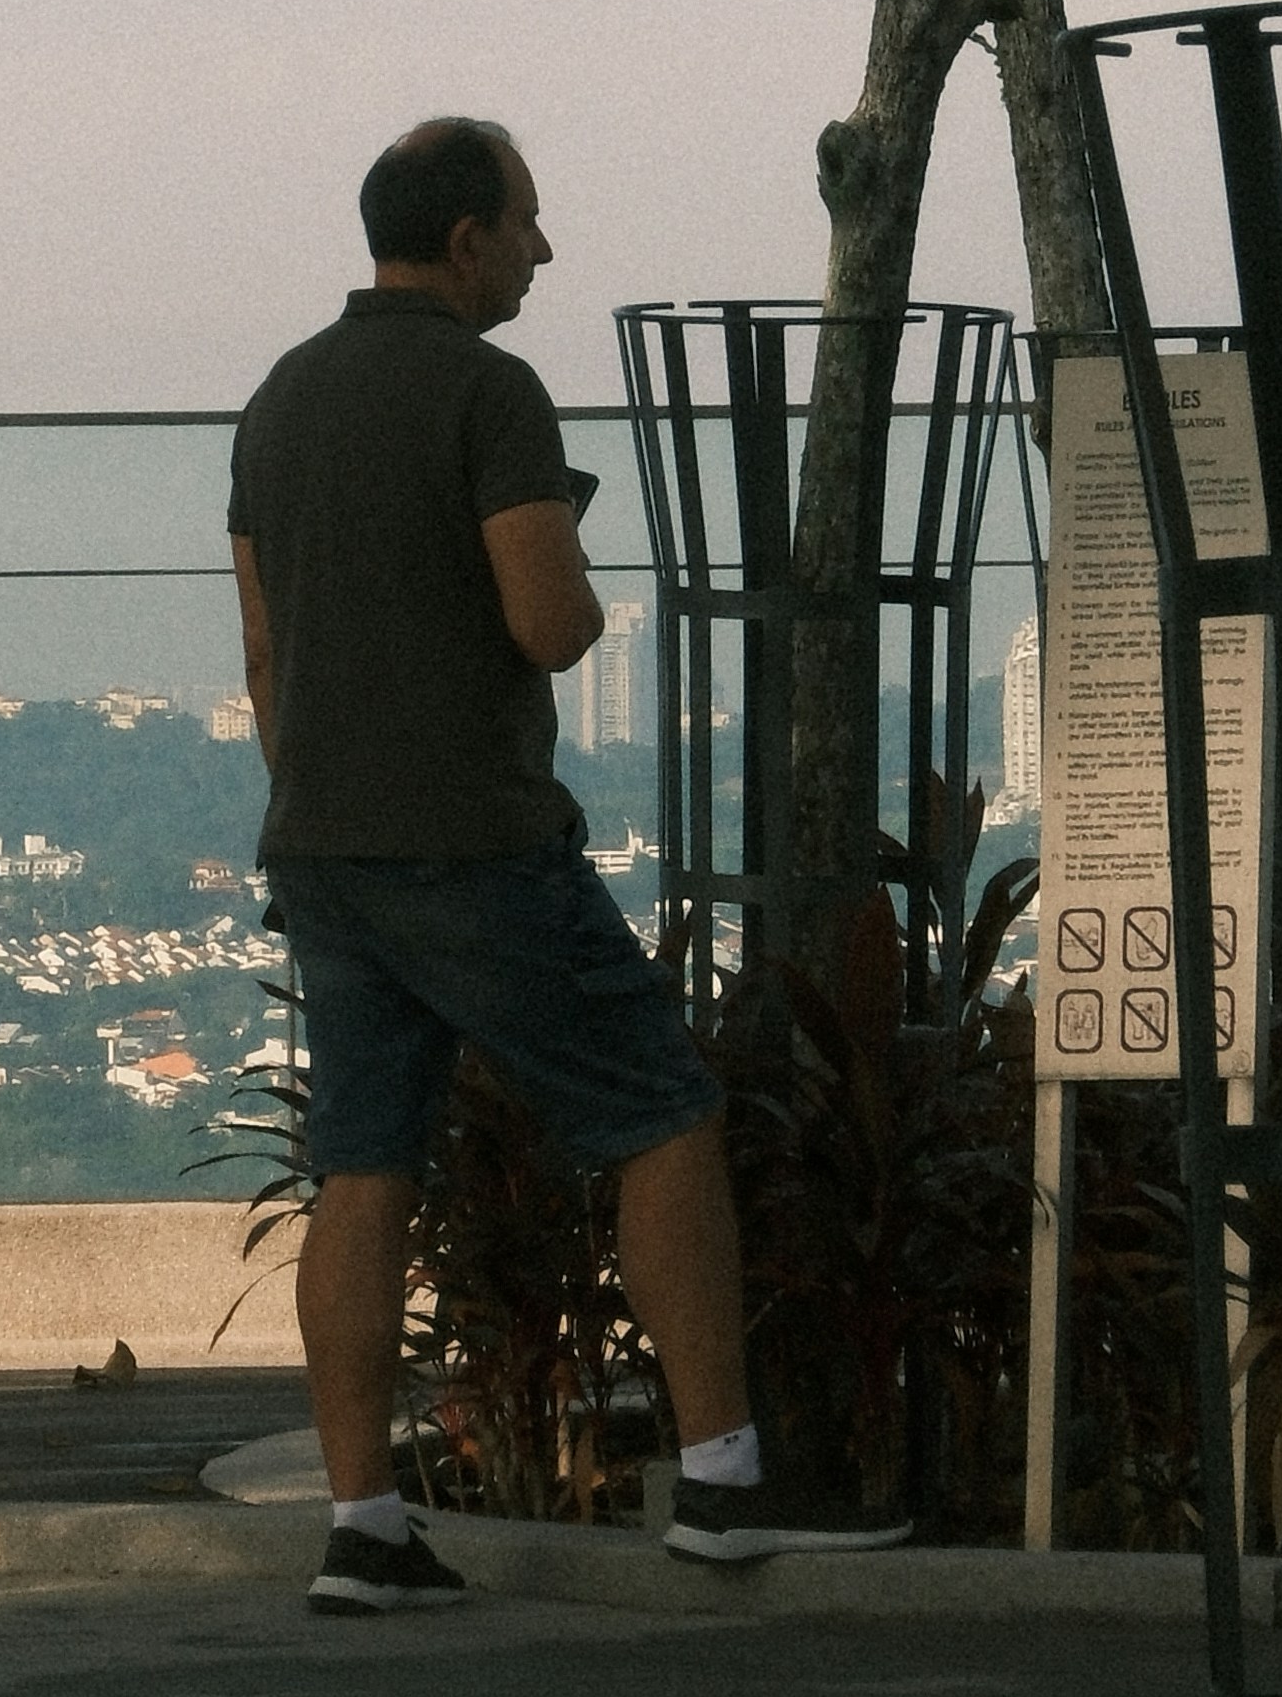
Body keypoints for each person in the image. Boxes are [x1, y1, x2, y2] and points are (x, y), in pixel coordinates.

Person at [228, 114, 908, 1605]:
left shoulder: (279, 401)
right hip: (473, 840)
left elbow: (266, 653)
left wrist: (333, 791)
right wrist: (586, 595)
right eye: (529, 223)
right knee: (662, 1112)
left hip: (326, 847)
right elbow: (547, 621)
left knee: (362, 1165)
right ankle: (725, 1479)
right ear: (466, 240)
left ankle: (364, 1523)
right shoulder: (492, 393)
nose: (545, 247)